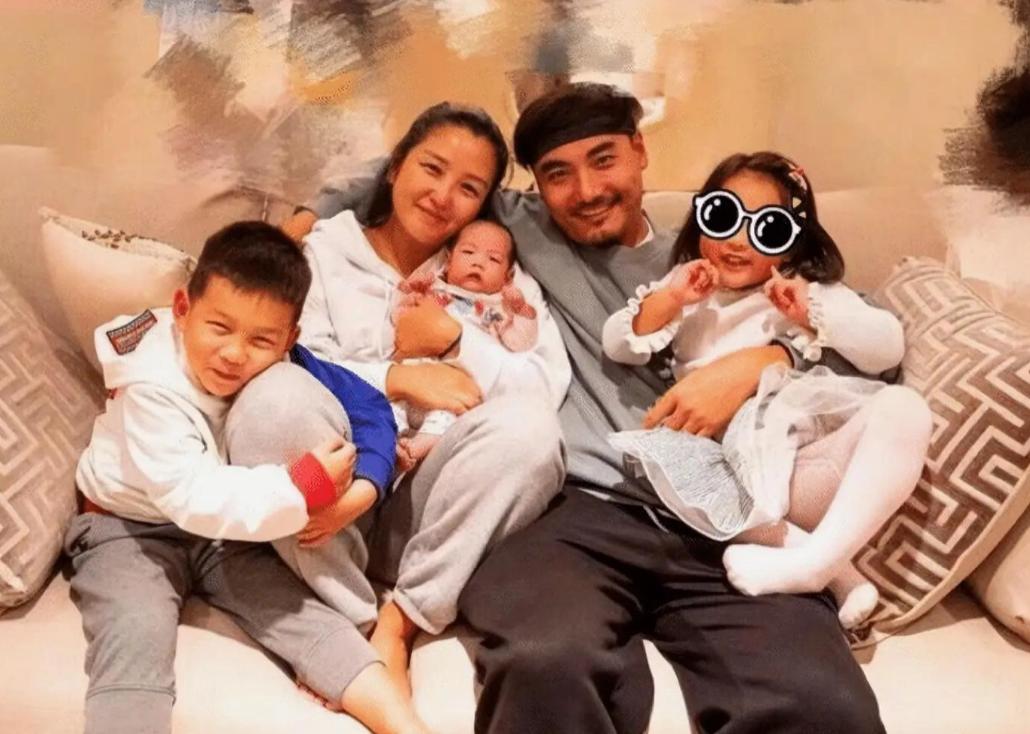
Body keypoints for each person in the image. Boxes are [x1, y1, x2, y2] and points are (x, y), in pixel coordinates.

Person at [292, 83, 890, 733]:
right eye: (557, 174)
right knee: (542, 661)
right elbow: (417, 175)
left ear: (639, 151)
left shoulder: (726, 250)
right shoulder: (525, 232)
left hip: (725, 523)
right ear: (537, 186)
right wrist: (305, 219)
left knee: (823, 702)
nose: (585, 191)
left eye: (604, 159)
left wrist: (765, 360)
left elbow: (867, 349)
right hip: (571, 514)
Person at [230, 101, 569, 697]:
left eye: (468, 188)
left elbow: (544, 386)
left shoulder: (493, 273)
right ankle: (349, 617)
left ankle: (401, 620)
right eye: (431, 169)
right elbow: (279, 355)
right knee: (273, 398)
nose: (442, 196)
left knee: (532, 429)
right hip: (332, 494)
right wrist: (396, 378)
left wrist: (457, 341)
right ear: (394, 169)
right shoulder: (322, 253)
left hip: (431, 505)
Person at [68, 221, 430, 734]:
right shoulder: (151, 382)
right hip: (128, 527)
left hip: (227, 536)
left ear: (289, 339)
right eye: (219, 328)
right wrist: (302, 485)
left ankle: (406, 725)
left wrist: (364, 485)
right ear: (183, 309)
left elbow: (368, 404)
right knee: (135, 631)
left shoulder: (284, 358)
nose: (235, 353)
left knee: (305, 617)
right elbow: (189, 494)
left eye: (261, 339)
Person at [602, 150, 932, 627]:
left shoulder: (806, 292)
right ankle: (833, 571)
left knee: (906, 408)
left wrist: (812, 314)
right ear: (699, 220)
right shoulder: (690, 293)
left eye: (768, 229)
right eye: (723, 217)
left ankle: (819, 562)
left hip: (811, 465)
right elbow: (617, 343)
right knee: (663, 466)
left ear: (793, 245)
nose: (738, 241)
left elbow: (887, 348)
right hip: (736, 478)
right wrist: (672, 297)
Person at [392, 219, 539, 466]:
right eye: (468, 252)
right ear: (448, 261)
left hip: (452, 390)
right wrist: (410, 292)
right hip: (409, 378)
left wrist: (522, 310)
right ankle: (388, 439)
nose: (478, 262)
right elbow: (398, 321)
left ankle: (416, 448)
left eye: (493, 259)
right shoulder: (432, 289)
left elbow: (520, 342)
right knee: (386, 402)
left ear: (508, 277)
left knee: (451, 415)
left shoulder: (495, 310)